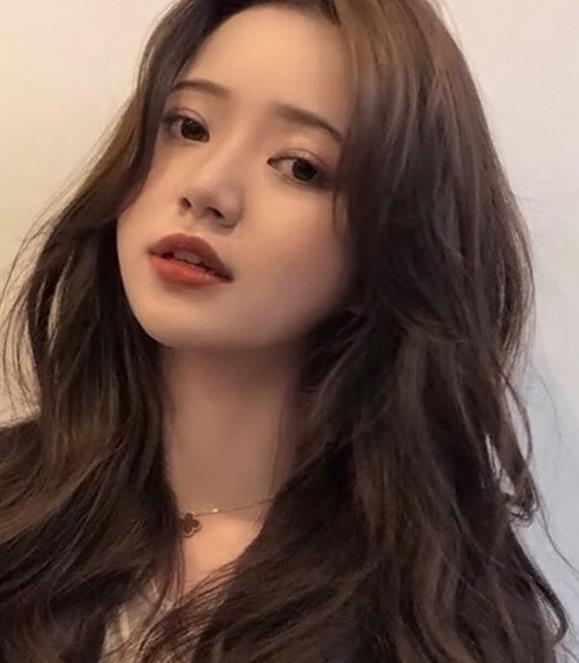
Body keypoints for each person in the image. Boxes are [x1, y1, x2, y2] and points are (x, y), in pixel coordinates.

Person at [0, 0, 574, 661]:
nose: (208, 188)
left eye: (301, 167)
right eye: (188, 126)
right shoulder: (19, 512)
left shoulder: (431, 617)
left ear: (388, 247)